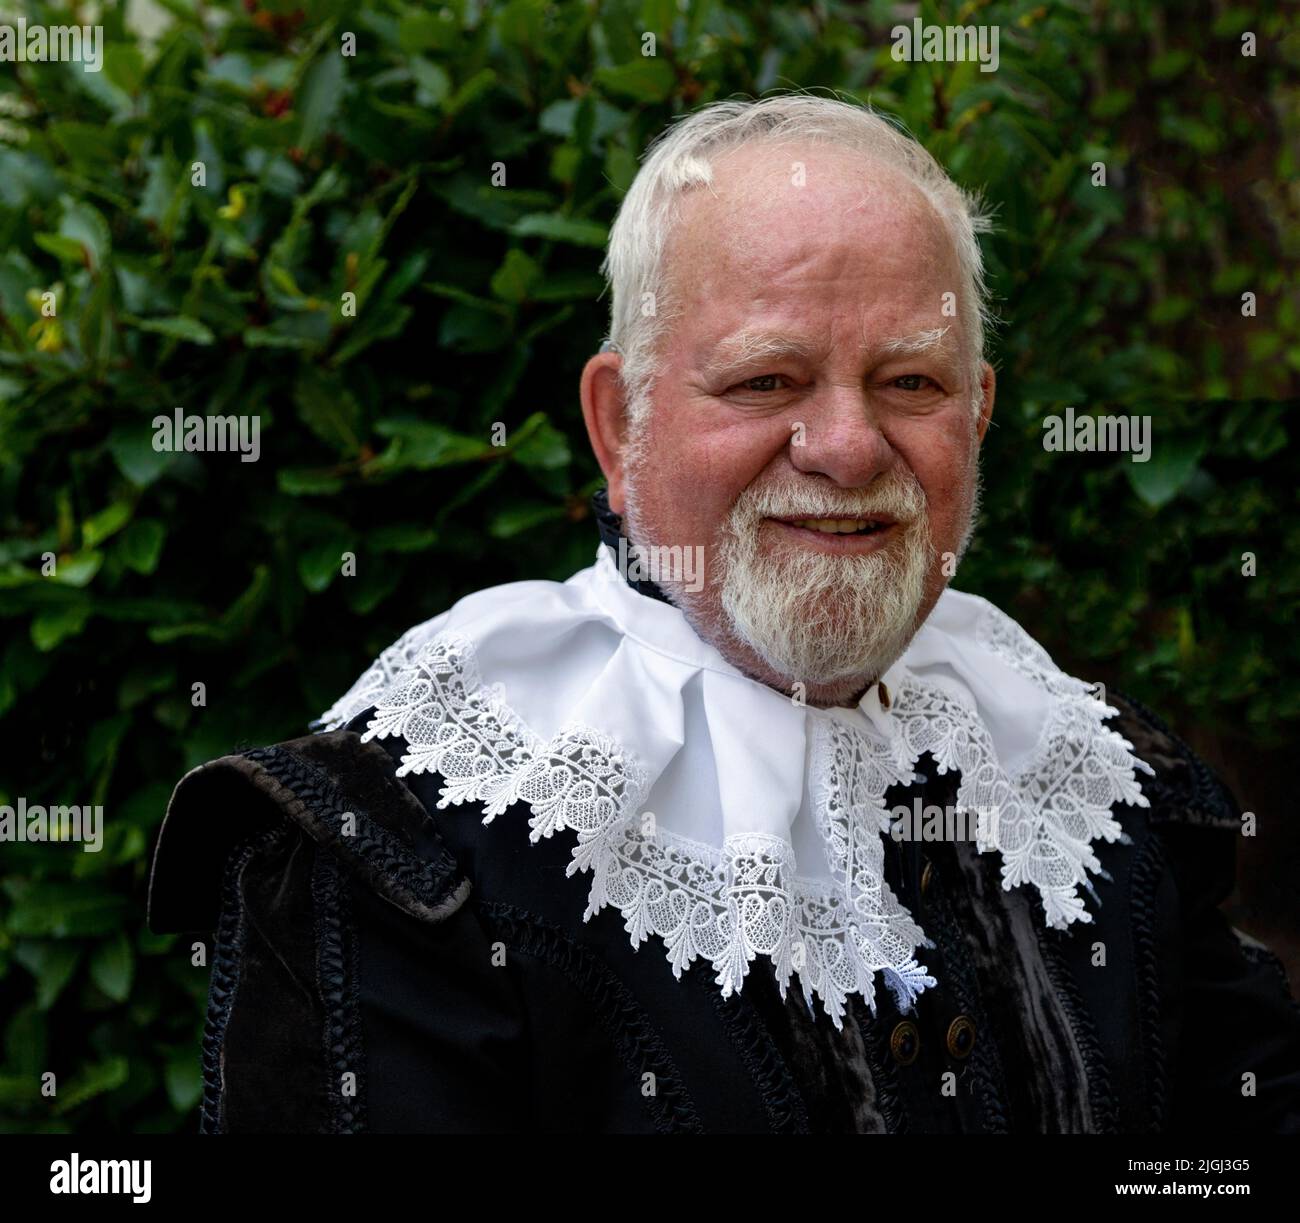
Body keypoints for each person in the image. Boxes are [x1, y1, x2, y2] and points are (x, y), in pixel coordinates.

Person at [147, 94, 1300, 1133]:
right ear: (619, 423)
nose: (846, 447)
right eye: (765, 380)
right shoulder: (407, 842)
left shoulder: (1086, 774)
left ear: (979, 413)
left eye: (912, 381)